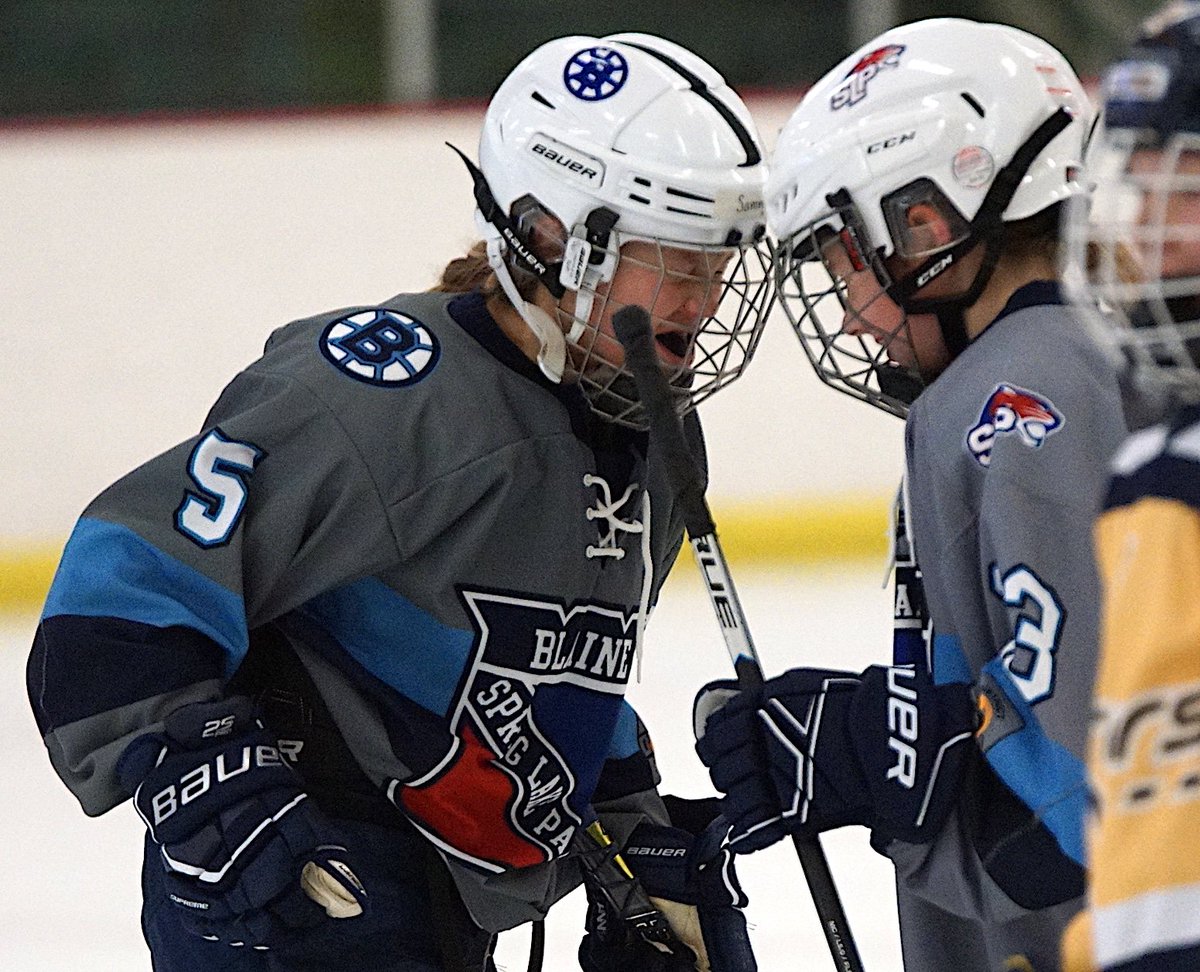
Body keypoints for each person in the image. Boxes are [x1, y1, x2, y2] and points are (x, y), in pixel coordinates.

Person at [26, 32, 773, 972]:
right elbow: (119, 595)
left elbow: (544, 675)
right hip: (297, 885)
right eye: (675, 254)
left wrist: (628, 837)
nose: (706, 294)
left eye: (720, 258)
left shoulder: (655, 438)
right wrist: (197, 775)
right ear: (552, 235)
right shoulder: (383, 396)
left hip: (441, 901)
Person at [692, 17, 1141, 972]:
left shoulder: (1014, 398)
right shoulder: (1109, 353)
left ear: (924, 226)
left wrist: (872, 751)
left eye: (839, 258)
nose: (848, 313)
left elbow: (1093, 796)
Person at [1057, 4, 1200, 969]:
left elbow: (1165, 906)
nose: (1153, 236)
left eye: (1187, 190)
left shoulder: (1169, 480)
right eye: (1140, 187)